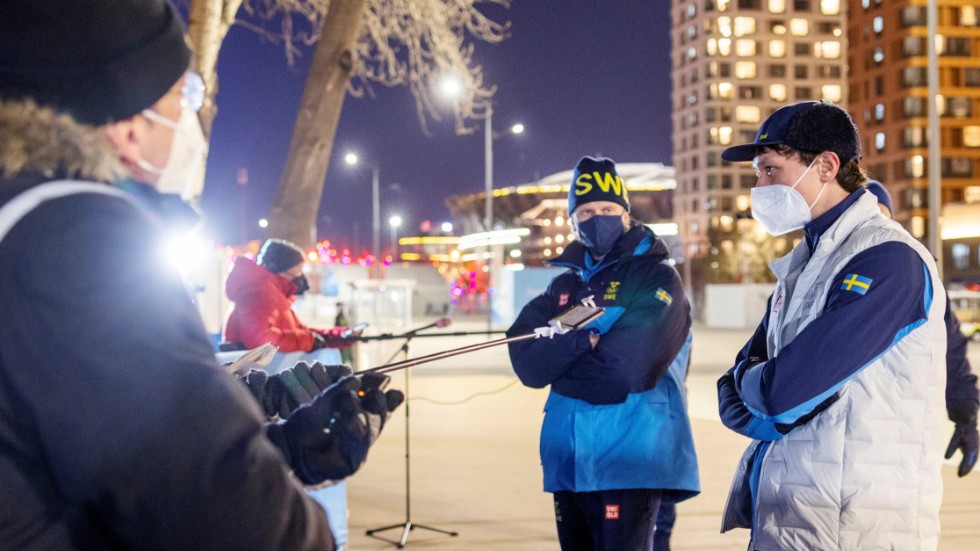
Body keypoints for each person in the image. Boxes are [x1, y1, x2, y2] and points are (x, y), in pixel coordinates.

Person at [0, 1, 399, 548]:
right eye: (184, 97)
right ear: (128, 126)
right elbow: (220, 512)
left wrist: (286, 446)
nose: (194, 121)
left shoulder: (27, 224)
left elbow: (137, 462)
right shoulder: (77, 239)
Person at [716, 100, 947, 549]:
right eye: (757, 175)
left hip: (856, 529)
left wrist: (760, 389)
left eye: (770, 170)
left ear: (825, 166)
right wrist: (757, 386)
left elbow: (779, 395)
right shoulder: (806, 262)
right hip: (796, 518)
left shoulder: (888, 259)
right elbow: (738, 385)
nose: (759, 186)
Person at [507, 156, 699, 551]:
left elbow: (624, 369)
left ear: (626, 214)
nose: (599, 217)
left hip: (631, 460)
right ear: (574, 219)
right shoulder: (564, 285)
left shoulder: (656, 277)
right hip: (570, 461)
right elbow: (525, 361)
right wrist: (584, 342)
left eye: (609, 209)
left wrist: (558, 361)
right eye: (588, 210)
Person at [866, 180, 979, 477]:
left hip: (907, 434)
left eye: (880, 213)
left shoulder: (919, 273)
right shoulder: (835, 275)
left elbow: (949, 348)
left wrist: (965, 414)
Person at [223, 238, 357, 353]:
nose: (301, 277)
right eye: (298, 270)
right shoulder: (260, 291)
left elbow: (298, 332)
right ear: (280, 269)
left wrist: (339, 335)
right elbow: (262, 340)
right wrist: (309, 341)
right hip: (256, 377)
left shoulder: (276, 295)